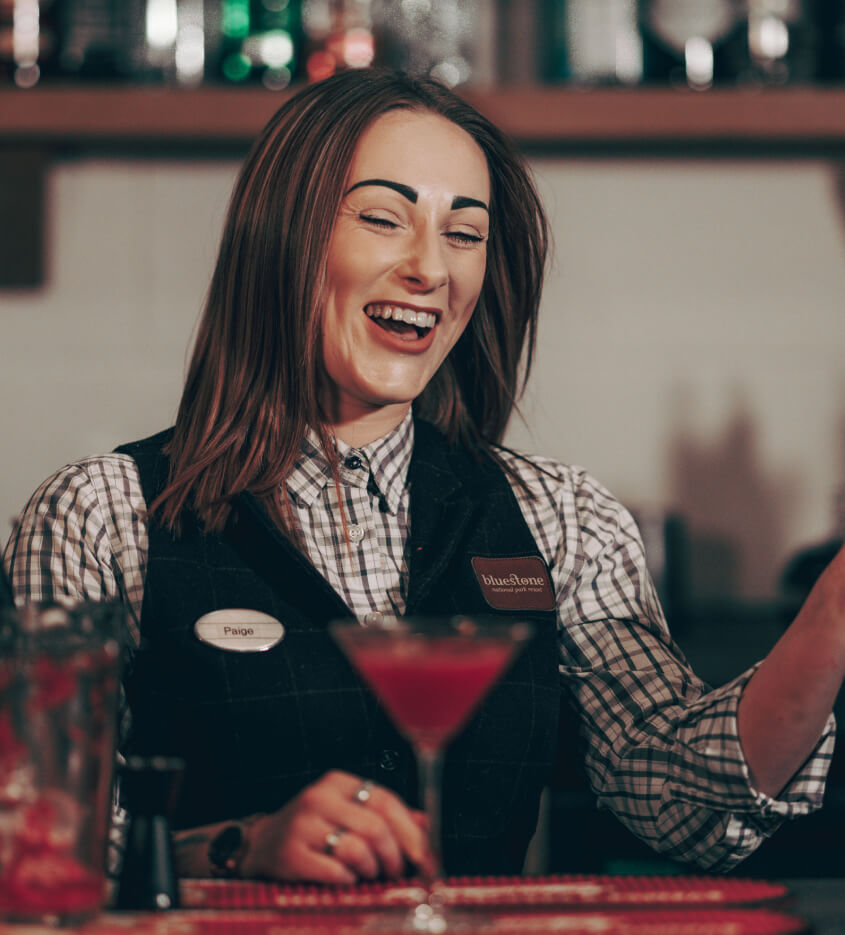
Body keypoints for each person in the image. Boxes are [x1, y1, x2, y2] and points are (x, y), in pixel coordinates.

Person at [3, 68, 843, 884]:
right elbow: (37, 833)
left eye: (464, 233)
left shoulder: (559, 518)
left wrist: (831, 616)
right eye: (383, 217)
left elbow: (687, 802)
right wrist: (237, 847)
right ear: (281, 233)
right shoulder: (101, 516)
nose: (430, 269)